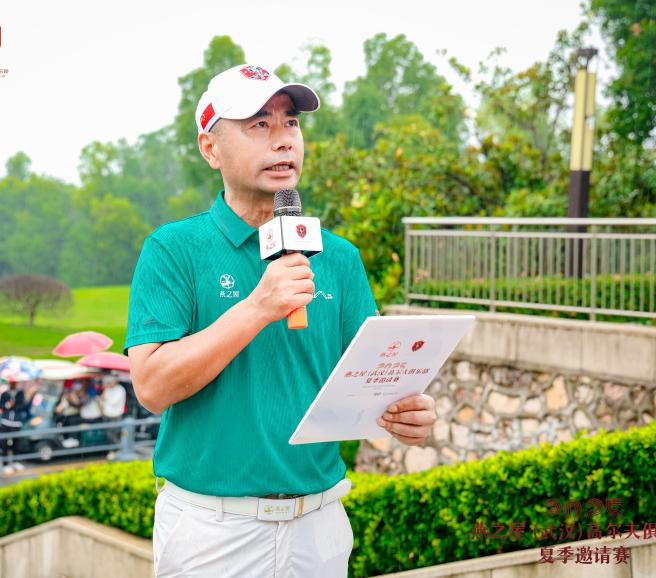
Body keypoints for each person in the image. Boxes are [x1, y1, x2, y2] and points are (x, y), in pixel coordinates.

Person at [125, 64, 437, 577]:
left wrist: (406, 410)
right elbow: (152, 387)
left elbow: (368, 379)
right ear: (210, 149)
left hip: (320, 526)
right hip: (211, 531)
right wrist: (256, 307)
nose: (283, 139)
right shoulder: (173, 249)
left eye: (291, 122)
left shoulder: (339, 257)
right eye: (259, 125)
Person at [0, 372, 28, 475]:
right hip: (5, 421)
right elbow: (0, 406)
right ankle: (5, 464)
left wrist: (14, 405)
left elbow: (22, 406)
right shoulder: (5, 393)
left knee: (16, 443)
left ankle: (15, 462)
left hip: (16, 422)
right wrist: (8, 405)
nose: (13, 384)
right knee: (4, 443)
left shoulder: (20, 393)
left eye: (15, 382)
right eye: (11, 382)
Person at [100, 375, 127, 460]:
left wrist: (105, 398)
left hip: (116, 415)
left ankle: (117, 449)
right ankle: (113, 450)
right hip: (107, 414)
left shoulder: (120, 390)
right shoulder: (107, 389)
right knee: (109, 434)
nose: (109, 383)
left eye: (110, 381)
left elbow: (113, 401)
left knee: (114, 433)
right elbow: (102, 399)